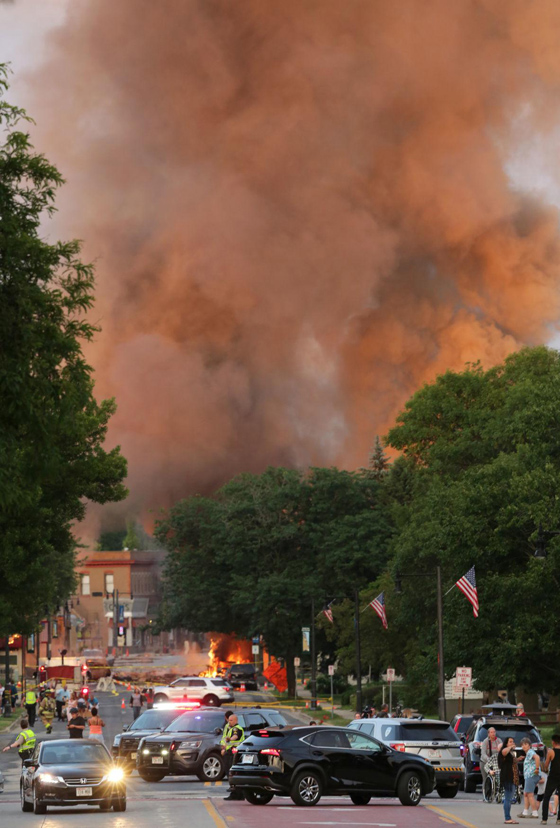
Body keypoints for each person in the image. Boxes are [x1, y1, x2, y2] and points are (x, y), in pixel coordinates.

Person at [221, 713, 245, 801]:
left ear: (236, 720)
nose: (229, 722)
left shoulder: (236, 728)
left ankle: (236, 793)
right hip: (229, 751)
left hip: (233, 753)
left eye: (231, 720)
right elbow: (224, 740)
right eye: (229, 720)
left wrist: (230, 739)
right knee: (230, 773)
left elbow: (235, 736)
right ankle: (237, 793)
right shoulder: (228, 728)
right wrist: (223, 748)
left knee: (232, 773)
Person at [518, 736, 544, 819]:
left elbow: (537, 757)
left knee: (530, 794)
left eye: (525, 744)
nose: (524, 746)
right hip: (529, 776)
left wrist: (536, 769)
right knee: (526, 793)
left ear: (529, 745)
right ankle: (525, 811)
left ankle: (535, 812)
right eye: (522, 745)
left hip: (531, 775)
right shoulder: (528, 753)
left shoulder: (530, 752)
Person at [499, 736, 520, 824]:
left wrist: (518, 759)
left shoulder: (510, 753)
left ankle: (508, 817)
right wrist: (510, 747)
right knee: (508, 798)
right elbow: (503, 752)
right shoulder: (504, 751)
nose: (512, 743)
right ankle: (507, 818)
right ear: (506, 743)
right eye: (510, 742)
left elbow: (511, 762)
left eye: (513, 741)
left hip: (513, 778)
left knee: (509, 798)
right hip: (508, 778)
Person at [541, 733, 560, 824]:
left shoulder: (551, 752)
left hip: (553, 776)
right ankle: (559, 819)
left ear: (553, 742)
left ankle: (544, 819)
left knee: (547, 797)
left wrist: (543, 767)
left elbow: (546, 765)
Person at [481, 726, 503, 797]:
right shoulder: (485, 741)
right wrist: (489, 759)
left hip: (496, 762)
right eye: (491, 732)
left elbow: (502, 751)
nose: (493, 734)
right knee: (486, 778)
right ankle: (486, 794)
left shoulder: (499, 741)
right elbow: (483, 753)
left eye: (494, 732)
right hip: (485, 761)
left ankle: (497, 793)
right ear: (488, 734)